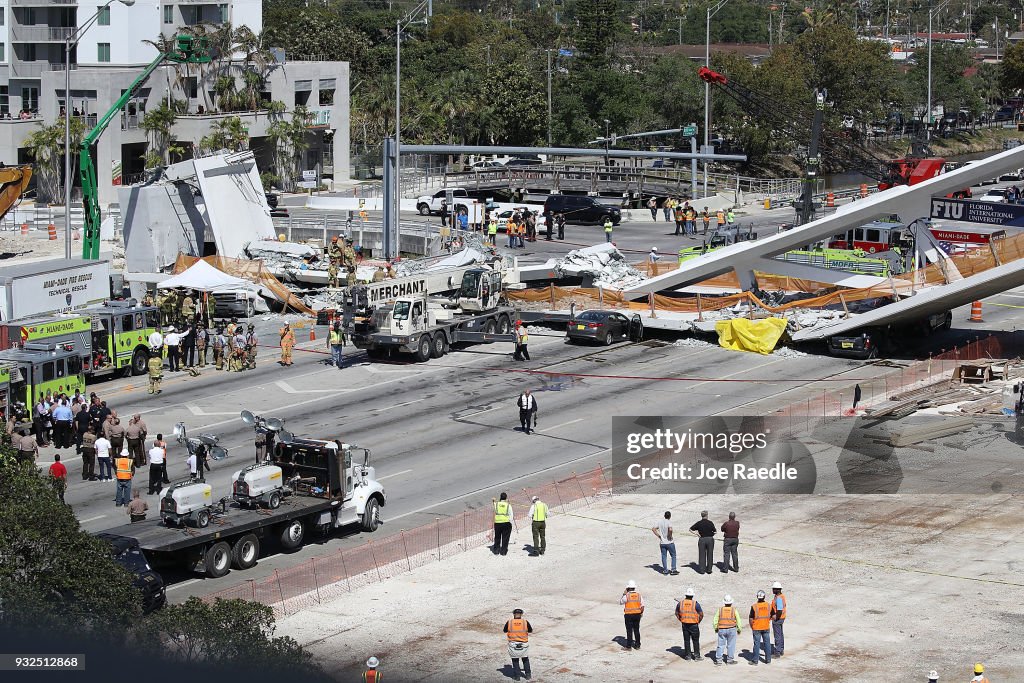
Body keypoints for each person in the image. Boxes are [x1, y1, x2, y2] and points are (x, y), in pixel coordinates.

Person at [503, 608, 533, 681]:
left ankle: (517, 676)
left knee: (515, 660)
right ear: (521, 614)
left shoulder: (509, 622)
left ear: (513, 614)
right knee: (525, 659)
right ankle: (528, 675)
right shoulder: (525, 622)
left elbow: (504, 630)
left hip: (513, 644)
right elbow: (530, 630)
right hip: (523, 644)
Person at [675, 586, 704, 661]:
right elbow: (701, 614)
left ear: (686, 595)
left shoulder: (680, 603)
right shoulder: (695, 604)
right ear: (692, 595)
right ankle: (697, 656)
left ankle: (688, 656)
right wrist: (698, 621)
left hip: (684, 624)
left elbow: (676, 613)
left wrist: (681, 620)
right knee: (696, 641)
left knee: (686, 640)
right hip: (694, 625)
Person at [714, 594, 740, 665]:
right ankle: (730, 660)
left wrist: (716, 628)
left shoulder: (720, 610)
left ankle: (719, 660)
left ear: (724, 602)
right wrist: (739, 629)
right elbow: (738, 619)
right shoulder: (734, 610)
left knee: (720, 645)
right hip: (732, 629)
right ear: (731, 602)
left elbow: (715, 619)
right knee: (731, 645)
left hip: (721, 629)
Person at [749, 590, 772, 665]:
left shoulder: (754, 606)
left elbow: (751, 618)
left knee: (757, 644)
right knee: (767, 644)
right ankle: (768, 660)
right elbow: (774, 616)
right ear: (764, 597)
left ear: (757, 597)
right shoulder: (769, 605)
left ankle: (755, 661)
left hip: (756, 628)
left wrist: (752, 626)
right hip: (766, 627)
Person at [620, 579, 644, 650]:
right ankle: (637, 645)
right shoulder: (639, 595)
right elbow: (642, 605)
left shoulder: (626, 596)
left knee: (629, 631)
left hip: (629, 616)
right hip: (637, 615)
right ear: (634, 587)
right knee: (636, 630)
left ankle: (629, 646)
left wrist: (624, 594)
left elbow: (621, 602)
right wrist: (641, 613)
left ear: (628, 588)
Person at [652, 510, 677, 575]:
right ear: (670, 516)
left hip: (662, 543)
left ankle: (665, 570)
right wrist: (670, 535)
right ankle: (673, 570)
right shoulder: (669, 522)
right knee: (673, 555)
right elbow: (670, 529)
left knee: (664, 556)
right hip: (669, 542)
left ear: (664, 516)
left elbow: (653, 529)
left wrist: (659, 536)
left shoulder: (660, 522)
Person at [770, 581, 786, 658]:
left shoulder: (779, 598)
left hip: (778, 618)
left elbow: (779, 610)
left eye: (774, 589)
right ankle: (781, 649)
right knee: (780, 634)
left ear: (777, 589)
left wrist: (775, 618)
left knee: (777, 635)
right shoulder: (780, 596)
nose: (772, 590)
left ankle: (777, 652)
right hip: (781, 618)